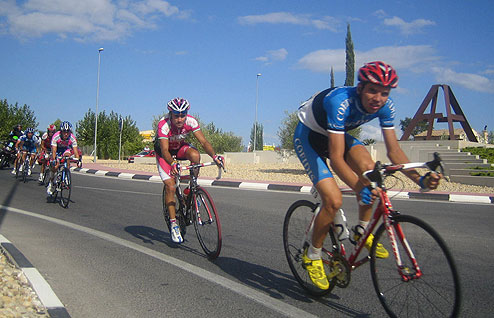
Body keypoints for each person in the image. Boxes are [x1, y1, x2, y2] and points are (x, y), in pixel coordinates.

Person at [294, 61, 441, 290]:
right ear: (360, 88)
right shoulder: (339, 102)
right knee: (333, 200)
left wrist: (420, 179)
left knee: (373, 174)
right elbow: (336, 158)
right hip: (310, 137)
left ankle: (360, 231)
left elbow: (394, 151)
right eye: (373, 90)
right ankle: (312, 255)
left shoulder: (386, 107)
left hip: (337, 135)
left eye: (385, 92)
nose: (378, 98)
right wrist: (359, 188)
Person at [154, 98, 224, 243]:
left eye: (183, 115)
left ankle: (190, 190)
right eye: (176, 115)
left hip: (179, 148)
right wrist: (173, 163)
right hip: (164, 153)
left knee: (195, 155)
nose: (180, 119)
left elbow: (204, 142)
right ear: (170, 114)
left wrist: (215, 156)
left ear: (186, 114)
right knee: (170, 186)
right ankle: (174, 224)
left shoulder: (191, 121)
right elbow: (165, 150)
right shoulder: (163, 125)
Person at [46, 121, 80, 196]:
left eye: (68, 132)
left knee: (67, 157)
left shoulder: (72, 138)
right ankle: (51, 182)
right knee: (55, 166)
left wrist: (78, 160)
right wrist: (54, 159)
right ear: (61, 131)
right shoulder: (56, 136)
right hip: (57, 149)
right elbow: (54, 150)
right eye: (64, 132)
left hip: (65, 150)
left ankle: (66, 175)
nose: (66, 134)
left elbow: (75, 151)